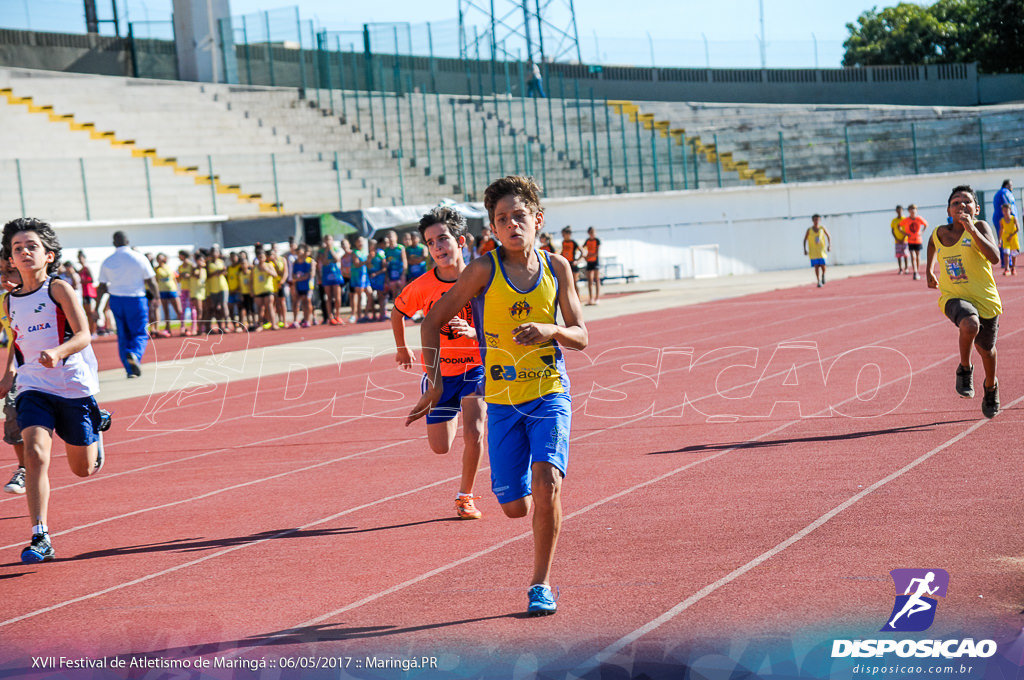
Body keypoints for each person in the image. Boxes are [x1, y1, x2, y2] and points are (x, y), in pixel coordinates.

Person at [407, 176, 588, 617]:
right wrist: (434, 384)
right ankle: (526, 495)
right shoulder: (483, 270)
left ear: (537, 219)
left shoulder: (557, 268)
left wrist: (553, 331)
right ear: (492, 227)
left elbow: (581, 336)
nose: (511, 225)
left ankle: (540, 585)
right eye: (501, 219)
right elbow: (431, 324)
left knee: (549, 485)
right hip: (503, 400)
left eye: (519, 216)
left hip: (549, 392)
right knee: (514, 507)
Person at [0, 217, 111, 563]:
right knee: (34, 454)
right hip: (34, 386)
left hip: (73, 386)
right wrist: (7, 376)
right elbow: (17, 341)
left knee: (83, 469)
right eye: (17, 248)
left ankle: (96, 429)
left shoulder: (58, 289)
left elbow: (83, 335)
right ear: (11, 259)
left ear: (48, 255)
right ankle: (40, 535)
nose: (24, 252)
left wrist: (58, 352)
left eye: (31, 246)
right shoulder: (8, 301)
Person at [391, 206, 486, 521]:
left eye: (443, 238)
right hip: (441, 372)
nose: (438, 247)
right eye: (431, 242)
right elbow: (397, 312)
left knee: (474, 433)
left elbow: (497, 318)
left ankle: (465, 496)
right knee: (441, 448)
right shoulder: (422, 286)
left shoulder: (482, 278)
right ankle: (447, 405)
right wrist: (402, 349)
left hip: (475, 367)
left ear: (460, 241)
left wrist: (474, 331)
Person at [926, 185, 1002, 418]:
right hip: (953, 296)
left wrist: (971, 229)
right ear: (949, 209)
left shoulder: (980, 227)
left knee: (986, 349)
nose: (961, 205)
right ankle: (965, 369)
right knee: (969, 324)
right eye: (956, 202)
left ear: (976, 208)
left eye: (967, 202)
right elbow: (931, 244)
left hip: (985, 299)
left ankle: (990, 387)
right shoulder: (940, 232)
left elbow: (995, 257)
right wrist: (929, 270)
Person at [96, 231, 158, 378]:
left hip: (117, 299)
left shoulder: (108, 261)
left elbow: (102, 286)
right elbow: (151, 281)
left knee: (123, 334)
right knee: (139, 332)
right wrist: (156, 298)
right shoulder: (139, 258)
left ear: (113, 243)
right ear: (128, 241)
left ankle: (130, 369)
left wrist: (97, 307)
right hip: (136, 299)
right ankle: (135, 354)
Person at [1, 255, 25, 495]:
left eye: (10, 272)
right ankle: (24, 468)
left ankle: (91, 428)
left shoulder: (49, 294)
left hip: (54, 367)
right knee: (13, 410)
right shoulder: (4, 302)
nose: (4, 278)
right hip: (21, 367)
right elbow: (12, 339)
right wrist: (10, 371)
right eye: (1, 273)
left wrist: (9, 371)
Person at [153, 253, 183, 337]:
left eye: (161, 258)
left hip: (172, 290)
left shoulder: (169, 267)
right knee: (166, 311)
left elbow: (174, 279)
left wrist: (177, 290)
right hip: (162, 291)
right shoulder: (156, 269)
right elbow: (155, 281)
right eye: (158, 258)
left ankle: (183, 327)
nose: (160, 260)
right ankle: (168, 328)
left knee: (178, 310)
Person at [289, 243, 317, 328]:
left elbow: (309, 275)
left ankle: (307, 320)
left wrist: (298, 278)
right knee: (295, 302)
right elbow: (293, 275)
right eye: (297, 252)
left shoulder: (309, 261)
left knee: (307, 302)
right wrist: (296, 280)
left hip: (308, 285)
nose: (298, 253)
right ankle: (295, 321)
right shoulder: (295, 263)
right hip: (298, 285)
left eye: (300, 251)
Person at [900, 204, 928, 280]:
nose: (912, 211)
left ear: (916, 210)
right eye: (911, 209)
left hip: (918, 239)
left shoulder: (919, 219)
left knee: (918, 256)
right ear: (909, 211)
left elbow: (926, 224)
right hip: (910, 240)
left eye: (914, 209)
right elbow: (899, 226)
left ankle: (917, 271)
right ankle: (915, 271)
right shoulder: (907, 219)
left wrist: (921, 232)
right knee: (913, 256)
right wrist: (905, 234)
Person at [993, 179, 1016, 271]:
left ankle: (1006, 262)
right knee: (1006, 239)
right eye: (1011, 185)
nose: (1012, 187)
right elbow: (1007, 206)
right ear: (1006, 185)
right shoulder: (1005, 192)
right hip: (1005, 220)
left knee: (1003, 239)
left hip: (999, 218)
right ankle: (1008, 263)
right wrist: (1012, 218)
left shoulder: (999, 193)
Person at [803, 214, 832, 287]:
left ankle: (823, 275)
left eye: (818, 220)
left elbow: (829, 237)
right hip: (813, 251)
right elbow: (805, 240)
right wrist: (805, 249)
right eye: (815, 220)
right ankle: (818, 281)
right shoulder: (809, 230)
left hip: (821, 250)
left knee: (823, 265)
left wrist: (829, 246)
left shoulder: (822, 228)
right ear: (813, 220)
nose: (816, 221)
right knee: (816, 266)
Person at [76, 251, 99, 337]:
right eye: (79, 259)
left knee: (91, 313)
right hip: (83, 293)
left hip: (89, 292)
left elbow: (92, 279)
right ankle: (90, 330)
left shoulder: (87, 268)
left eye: (81, 258)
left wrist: (83, 281)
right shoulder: (79, 270)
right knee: (87, 314)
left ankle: (94, 331)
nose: (80, 260)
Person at [559, 226, 582, 297]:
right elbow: (563, 252)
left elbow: (583, 252)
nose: (563, 236)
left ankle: (578, 298)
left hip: (573, 264)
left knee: (574, 283)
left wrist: (577, 261)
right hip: (566, 264)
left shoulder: (573, 242)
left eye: (564, 234)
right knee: (567, 283)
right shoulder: (563, 242)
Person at [583, 226, 601, 305]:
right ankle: (591, 298)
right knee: (590, 280)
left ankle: (597, 298)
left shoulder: (597, 240)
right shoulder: (587, 241)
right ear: (588, 233)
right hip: (589, 262)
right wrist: (584, 255)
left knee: (596, 279)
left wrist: (588, 257)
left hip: (595, 262)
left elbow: (597, 253)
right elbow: (582, 248)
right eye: (590, 232)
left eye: (593, 232)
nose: (592, 234)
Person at [1000, 203, 1020, 276]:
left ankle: (1013, 268)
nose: (1005, 212)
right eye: (1004, 210)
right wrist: (999, 240)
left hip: (1013, 238)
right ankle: (1006, 269)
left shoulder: (1014, 219)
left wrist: (1011, 235)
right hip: (1005, 238)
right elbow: (1001, 230)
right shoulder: (1002, 220)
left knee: (1013, 254)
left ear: (1010, 210)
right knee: (1006, 253)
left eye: (1007, 210)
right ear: (1002, 211)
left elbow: (1018, 229)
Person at [891, 205, 908, 274]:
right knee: (898, 255)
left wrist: (903, 238)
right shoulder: (894, 220)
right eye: (897, 211)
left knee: (905, 255)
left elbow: (906, 229)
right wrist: (896, 239)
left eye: (900, 211)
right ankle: (900, 268)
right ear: (896, 211)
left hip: (904, 240)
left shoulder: (905, 219)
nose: (899, 212)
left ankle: (906, 268)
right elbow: (892, 230)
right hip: (897, 241)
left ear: (902, 211)